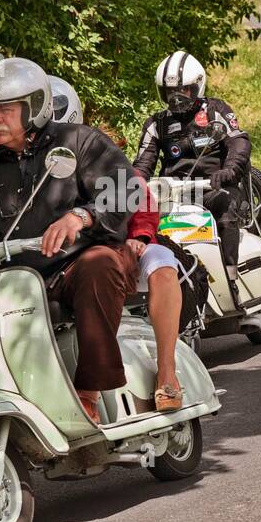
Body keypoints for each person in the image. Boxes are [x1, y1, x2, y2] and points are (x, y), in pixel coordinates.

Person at [0, 58, 139, 425]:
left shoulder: (78, 143)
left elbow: (128, 189)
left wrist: (82, 216)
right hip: (18, 282)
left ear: (35, 106)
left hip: (78, 265)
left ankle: (87, 393)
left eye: (5, 109)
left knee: (98, 264)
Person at [50, 79, 192, 412]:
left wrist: (139, 236)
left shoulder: (95, 151)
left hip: (124, 245)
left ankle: (167, 373)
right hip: (70, 259)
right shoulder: (36, 170)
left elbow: (138, 194)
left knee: (162, 262)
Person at [133, 50, 252, 311]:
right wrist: (133, 186)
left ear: (197, 86)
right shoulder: (157, 124)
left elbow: (239, 142)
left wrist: (229, 171)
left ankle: (230, 279)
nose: (176, 97)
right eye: (170, 91)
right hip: (173, 193)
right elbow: (143, 163)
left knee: (225, 207)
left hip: (213, 187)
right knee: (142, 223)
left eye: (184, 90)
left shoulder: (215, 111)